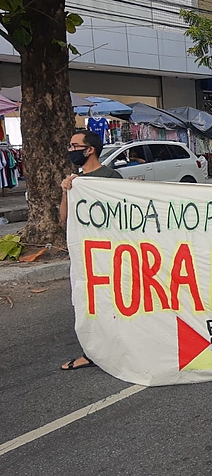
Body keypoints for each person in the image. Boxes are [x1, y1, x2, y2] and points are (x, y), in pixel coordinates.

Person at [60, 130, 123, 371]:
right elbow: (64, 219)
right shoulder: (75, 182)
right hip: (87, 257)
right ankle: (92, 351)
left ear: (90, 149)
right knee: (89, 304)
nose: (71, 149)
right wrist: (67, 192)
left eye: (75, 145)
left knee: (112, 303)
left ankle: (118, 347)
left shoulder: (110, 177)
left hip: (110, 255)